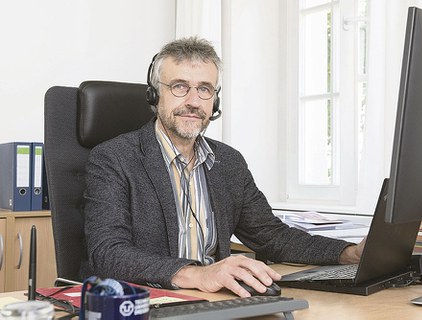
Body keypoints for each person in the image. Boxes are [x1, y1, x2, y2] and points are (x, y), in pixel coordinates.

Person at [83, 36, 365, 298]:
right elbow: (108, 253)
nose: (193, 102)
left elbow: (272, 236)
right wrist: (198, 274)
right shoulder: (113, 159)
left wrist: (349, 253)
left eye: (204, 89)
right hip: (149, 302)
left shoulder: (228, 162)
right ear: (155, 95)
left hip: (214, 302)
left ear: (215, 100)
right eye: (180, 86)